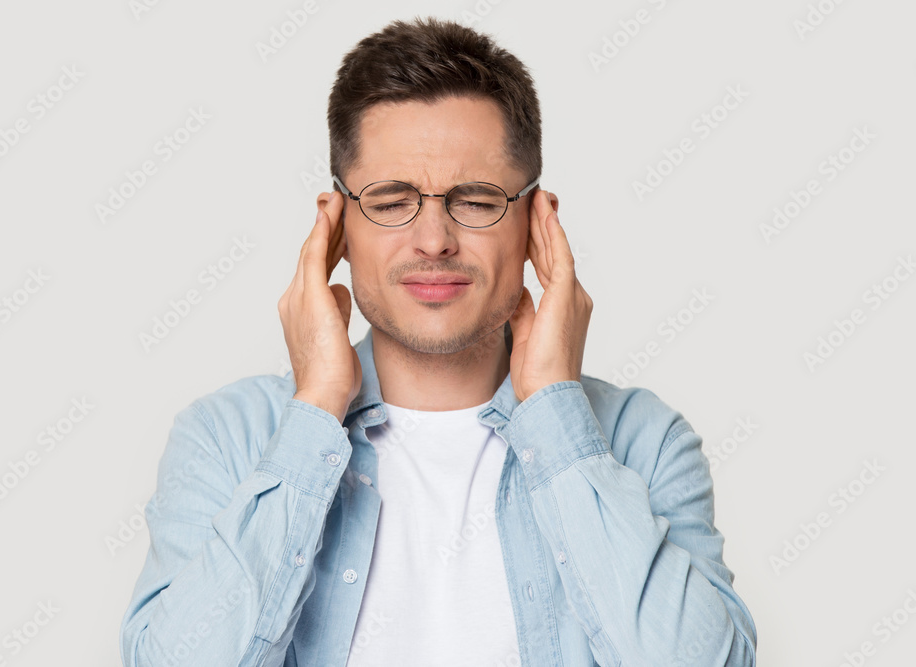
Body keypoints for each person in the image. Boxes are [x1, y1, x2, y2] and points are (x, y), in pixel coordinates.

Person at [120, 16, 757, 667]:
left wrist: (558, 415)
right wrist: (315, 410)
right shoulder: (229, 437)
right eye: (392, 199)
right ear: (336, 226)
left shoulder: (640, 439)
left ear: (538, 221)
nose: (433, 240)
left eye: (476, 199)